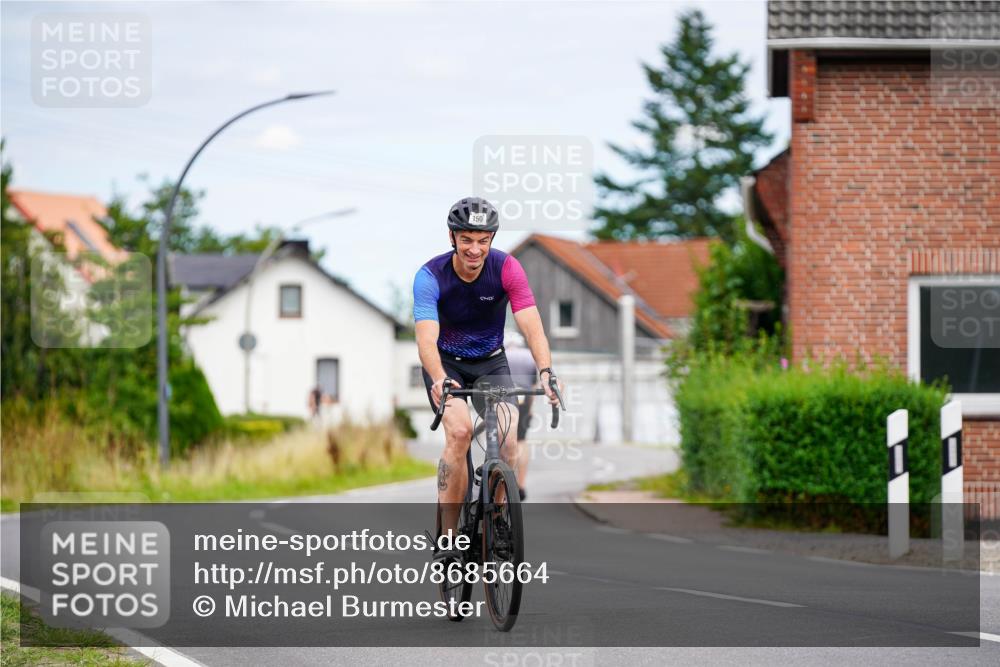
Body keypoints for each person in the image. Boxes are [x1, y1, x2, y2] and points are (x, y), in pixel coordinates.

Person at [413, 196, 563, 545]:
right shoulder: (430, 276)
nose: (475, 249)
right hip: (445, 363)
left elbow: (532, 326)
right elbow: (425, 339)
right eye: (466, 239)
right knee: (460, 432)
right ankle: (449, 535)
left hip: (490, 361)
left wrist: (545, 371)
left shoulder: (507, 268)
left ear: (492, 240)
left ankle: (497, 519)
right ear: (452, 238)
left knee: (510, 437)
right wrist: (438, 377)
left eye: (483, 240)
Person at [472, 331, 536, 498]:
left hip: (497, 395)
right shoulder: (529, 356)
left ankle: (492, 463)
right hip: (522, 398)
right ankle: (520, 484)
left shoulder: (501, 355)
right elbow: (534, 385)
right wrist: (530, 410)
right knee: (520, 441)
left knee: (494, 433)